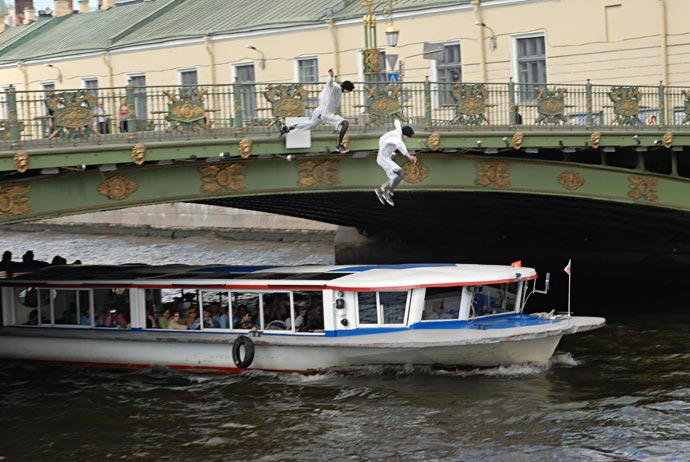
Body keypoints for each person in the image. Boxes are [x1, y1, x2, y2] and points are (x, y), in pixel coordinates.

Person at [280, 68, 354, 153]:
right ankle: (339, 145)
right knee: (345, 123)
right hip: (325, 114)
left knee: (311, 124)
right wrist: (331, 76)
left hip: (319, 111)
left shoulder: (339, 92)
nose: (348, 93)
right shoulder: (337, 88)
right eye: (349, 91)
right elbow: (330, 84)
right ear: (347, 89)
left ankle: (289, 127)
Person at [374, 120, 416, 207]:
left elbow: (397, 123)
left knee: (398, 175)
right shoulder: (397, 139)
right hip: (384, 159)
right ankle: (386, 192)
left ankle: (382, 189)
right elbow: (400, 144)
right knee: (401, 174)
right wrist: (409, 156)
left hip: (386, 157)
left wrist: (397, 120)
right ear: (405, 135)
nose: (406, 139)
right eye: (407, 137)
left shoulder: (398, 131)